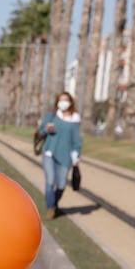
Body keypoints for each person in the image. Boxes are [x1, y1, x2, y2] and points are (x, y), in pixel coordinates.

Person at [36, 91, 82, 219]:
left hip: (65, 157)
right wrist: (46, 129)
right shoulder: (52, 116)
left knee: (61, 185)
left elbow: (76, 141)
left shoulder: (74, 119)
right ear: (57, 102)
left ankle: (55, 205)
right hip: (49, 153)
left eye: (65, 100)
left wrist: (76, 157)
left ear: (70, 102)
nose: (63, 102)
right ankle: (51, 208)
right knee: (50, 181)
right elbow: (40, 131)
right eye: (60, 100)